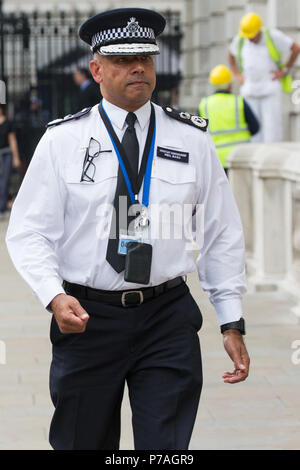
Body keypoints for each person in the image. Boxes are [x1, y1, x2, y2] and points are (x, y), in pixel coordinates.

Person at [6, 8, 250, 450]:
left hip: (167, 317)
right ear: (96, 69)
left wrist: (231, 320)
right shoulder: (63, 141)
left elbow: (221, 232)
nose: (138, 67)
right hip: (88, 319)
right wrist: (53, 295)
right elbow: (28, 232)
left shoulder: (191, 140)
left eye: (146, 57)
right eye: (122, 60)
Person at [228, 12, 300, 143]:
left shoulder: (272, 36)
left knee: (272, 131)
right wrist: (237, 74)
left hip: (269, 89)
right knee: (253, 131)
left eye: (252, 36)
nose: (250, 39)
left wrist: (284, 70)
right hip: (250, 90)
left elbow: (295, 48)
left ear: (258, 30)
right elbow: (230, 55)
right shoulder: (241, 40)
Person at [199, 64, 259, 173]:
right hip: (241, 158)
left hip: (215, 160)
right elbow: (255, 127)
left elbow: (199, 133)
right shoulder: (239, 102)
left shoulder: (204, 105)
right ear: (229, 84)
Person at [0, 104, 21, 220]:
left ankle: (2, 208)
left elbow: (12, 140)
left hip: (6, 154)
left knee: (5, 181)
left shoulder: (8, 123)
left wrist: (16, 157)